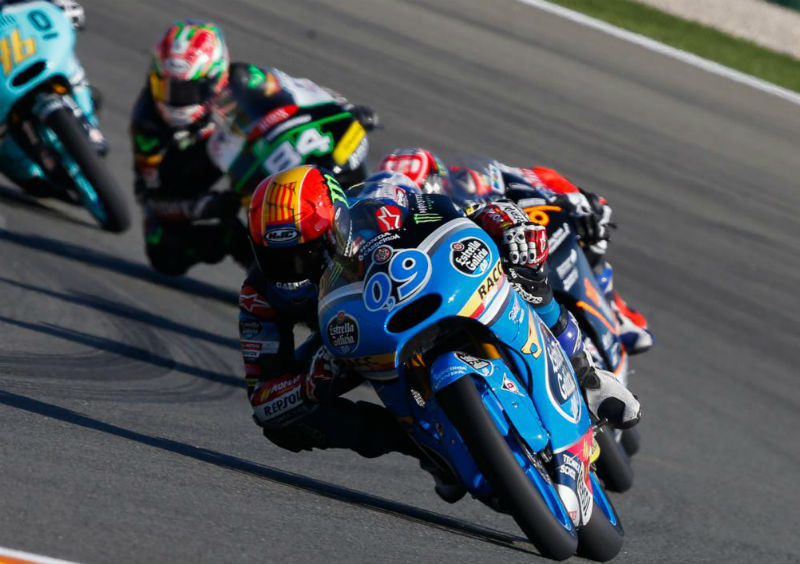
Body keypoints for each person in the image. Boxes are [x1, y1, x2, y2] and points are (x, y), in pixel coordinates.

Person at [240, 164, 641, 503]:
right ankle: (422, 448)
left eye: (307, 253)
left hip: (426, 290)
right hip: (349, 343)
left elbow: (461, 212)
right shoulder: (260, 294)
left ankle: (586, 375)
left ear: (337, 225)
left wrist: (506, 224)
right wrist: (311, 382)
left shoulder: (380, 207)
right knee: (282, 426)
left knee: (525, 273)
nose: (295, 271)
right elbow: (263, 398)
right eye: (279, 260)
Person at [131, 19, 378, 276]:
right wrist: (203, 205)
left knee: (326, 157)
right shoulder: (148, 122)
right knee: (163, 249)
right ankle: (259, 263)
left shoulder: (246, 79)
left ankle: (359, 206)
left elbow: (303, 90)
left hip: (243, 153)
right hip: (183, 174)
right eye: (164, 86)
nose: (174, 100)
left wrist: (346, 109)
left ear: (214, 78)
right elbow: (152, 198)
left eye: (186, 90)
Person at [378, 148, 654, 355]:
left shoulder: (474, 179)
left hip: (533, 235)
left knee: (593, 238)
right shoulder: (413, 225)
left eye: (424, 187)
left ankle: (616, 310)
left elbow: (543, 177)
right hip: (491, 268)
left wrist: (582, 202)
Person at [0, 0, 106, 198]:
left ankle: (87, 122)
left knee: (72, 68)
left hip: (28, 46)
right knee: (33, 181)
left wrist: (64, 7)